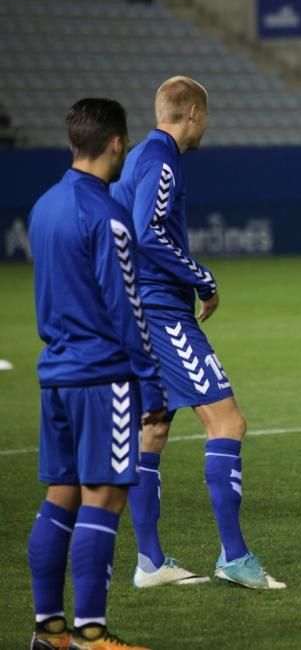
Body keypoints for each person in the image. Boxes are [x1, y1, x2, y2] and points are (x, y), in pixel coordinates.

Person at [111, 76, 284, 590]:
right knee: (227, 423)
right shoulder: (162, 160)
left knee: (153, 429)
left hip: (130, 312)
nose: (205, 125)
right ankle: (233, 557)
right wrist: (202, 277)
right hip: (161, 312)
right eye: (205, 116)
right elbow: (150, 231)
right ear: (192, 114)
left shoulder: (138, 156)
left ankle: (149, 563)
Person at [27, 98, 165, 650]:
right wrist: (149, 381)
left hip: (55, 373)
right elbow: (126, 306)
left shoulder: (43, 208)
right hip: (101, 376)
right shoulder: (107, 217)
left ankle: (49, 630)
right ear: (116, 143)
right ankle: (91, 634)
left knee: (60, 495)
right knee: (103, 497)